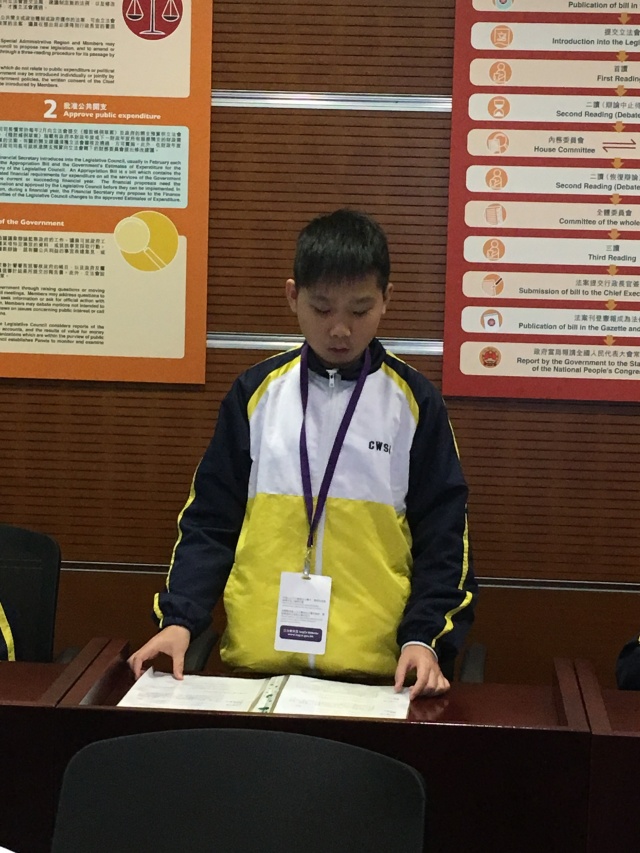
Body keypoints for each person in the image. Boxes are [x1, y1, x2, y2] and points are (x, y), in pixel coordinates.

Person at [129, 209, 477, 698]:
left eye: (359, 311)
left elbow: (444, 537)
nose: (340, 330)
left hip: (379, 674)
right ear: (293, 296)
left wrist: (425, 638)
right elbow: (210, 520)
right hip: (258, 667)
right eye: (322, 308)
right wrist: (180, 619)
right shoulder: (256, 393)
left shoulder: (415, 403)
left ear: (386, 299)